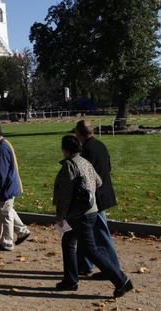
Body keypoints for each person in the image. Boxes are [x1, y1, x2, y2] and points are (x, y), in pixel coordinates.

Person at [53, 135, 133, 297]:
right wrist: (87, 190)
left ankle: (121, 280)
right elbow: (99, 181)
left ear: (65, 149)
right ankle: (70, 280)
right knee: (68, 242)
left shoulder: (70, 165)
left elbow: (66, 195)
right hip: (90, 210)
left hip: (77, 214)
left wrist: (60, 216)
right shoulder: (85, 162)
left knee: (90, 250)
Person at [74, 120, 120, 278]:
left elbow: (84, 176)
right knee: (88, 232)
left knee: (100, 233)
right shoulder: (100, 145)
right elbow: (108, 167)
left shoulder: (84, 150)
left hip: (95, 197)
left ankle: (112, 268)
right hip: (103, 192)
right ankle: (85, 265)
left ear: (79, 133)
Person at [0, 122, 30, 251]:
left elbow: (1, 172)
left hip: (6, 187)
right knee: (8, 211)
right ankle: (22, 231)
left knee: (4, 215)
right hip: (10, 185)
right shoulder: (4, 144)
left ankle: (7, 242)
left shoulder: (1, 149)